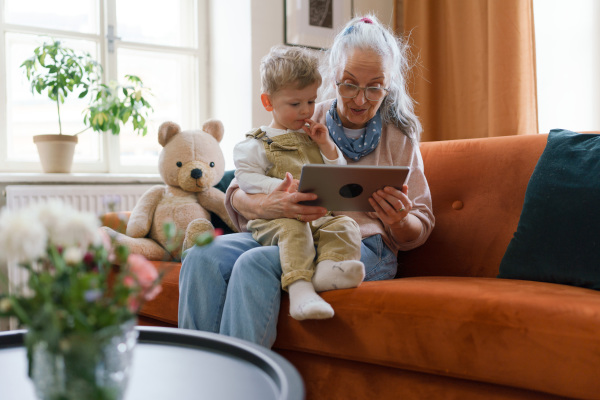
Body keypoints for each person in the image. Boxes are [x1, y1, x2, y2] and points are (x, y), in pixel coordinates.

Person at [178, 14, 434, 348]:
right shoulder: (304, 112)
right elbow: (240, 187)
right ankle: (195, 375)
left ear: (389, 85)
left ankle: (240, 384)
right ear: (333, 75)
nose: (360, 99)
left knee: (255, 263)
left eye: (375, 88)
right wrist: (265, 203)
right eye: (349, 83)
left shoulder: (398, 137)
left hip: (362, 244)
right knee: (203, 255)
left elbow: (422, 222)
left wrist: (399, 221)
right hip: (293, 232)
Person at [233, 45, 365, 321]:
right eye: (296, 104)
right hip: (277, 220)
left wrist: (326, 145)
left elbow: (338, 175)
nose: (306, 111)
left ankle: (328, 272)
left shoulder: (312, 136)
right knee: (295, 229)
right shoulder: (256, 143)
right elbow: (245, 178)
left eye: (311, 101)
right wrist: (275, 187)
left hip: (316, 217)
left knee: (346, 225)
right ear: (268, 102)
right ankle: (300, 290)